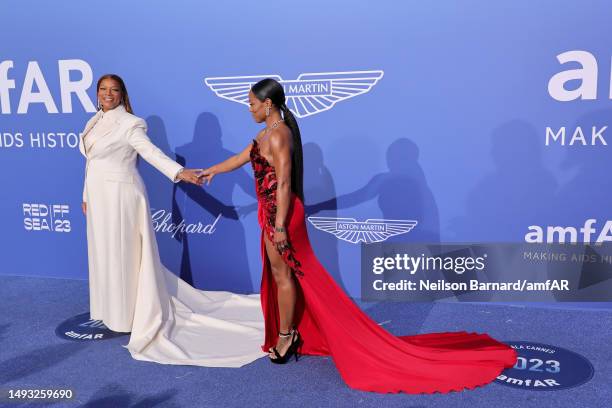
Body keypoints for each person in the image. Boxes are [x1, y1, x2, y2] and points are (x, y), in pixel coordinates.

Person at [200, 78, 517, 393]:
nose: (249, 108)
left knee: (286, 276)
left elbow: (284, 183)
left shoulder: (280, 135)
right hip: (270, 214)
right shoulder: (263, 134)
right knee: (283, 273)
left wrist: (280, 224)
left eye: (252, 103)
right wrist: (212, 170)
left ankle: (286, 337)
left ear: (267, 104)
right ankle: (291, 332)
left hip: (280, 215)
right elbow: (241, 159)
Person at [79, 74, 265, 367]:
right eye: (103, 89)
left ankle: (126, 314)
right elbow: (91, 162)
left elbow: (151, 153)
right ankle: (108, 309)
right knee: (103, 255)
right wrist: (86, 195)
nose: (108, 94)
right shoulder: (93, 121)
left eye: (114, 90)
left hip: (121, 196)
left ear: (122, 94)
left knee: (121, 255)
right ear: (97, 93)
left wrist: (180, 173)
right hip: (99, 197)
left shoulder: (131, 123)